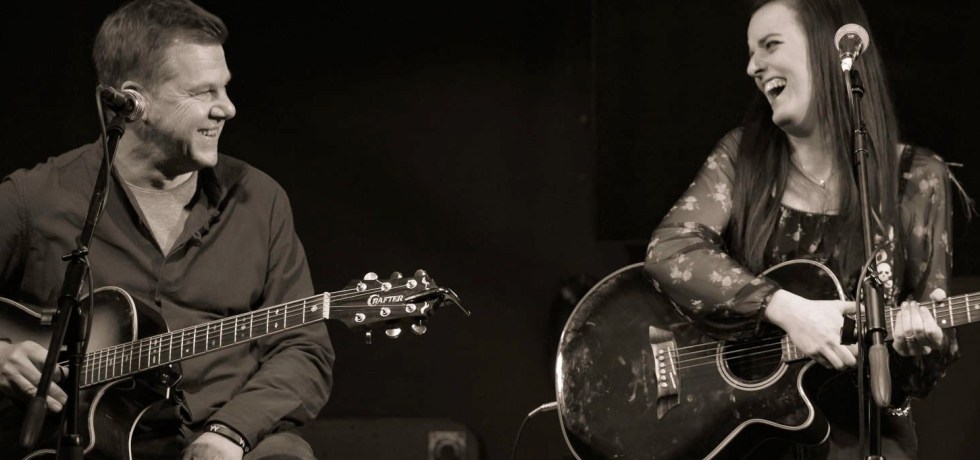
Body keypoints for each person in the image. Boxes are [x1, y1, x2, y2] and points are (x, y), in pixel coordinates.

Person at [0, 1, 334, 458]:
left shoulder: (260, 199)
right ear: (135, 102)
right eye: (204, 92)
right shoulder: (35, 199)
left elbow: (303, 348)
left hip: (229, 439)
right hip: (78, 442)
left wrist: (230, 432)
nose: (228, 108)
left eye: (225, 87)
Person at [644, 0, 962, 458]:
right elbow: (671, 248)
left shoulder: (917, 178)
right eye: (751, 52)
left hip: (862, 435)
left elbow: (929, 353)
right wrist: (784, 308)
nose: (753, 67)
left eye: (770, 45)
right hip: (754, 437)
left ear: (829, 50)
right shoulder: (741, 157)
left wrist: (919, 344)